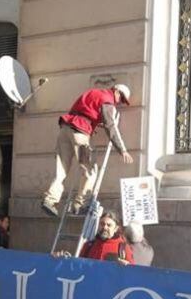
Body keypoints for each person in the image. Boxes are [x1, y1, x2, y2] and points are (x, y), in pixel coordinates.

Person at [41, 84, 134, 217]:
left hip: (65, 130)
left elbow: (83, 111)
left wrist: (95, 123)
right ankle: (80, 204)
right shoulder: (108, 100)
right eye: (121, 98)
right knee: (90, 170)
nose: (119, 102)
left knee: (61, 169)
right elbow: (111, 127)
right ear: (116, 91)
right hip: (80, 134)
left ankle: (50, 200)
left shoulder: (93, 92)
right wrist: (123, 149)